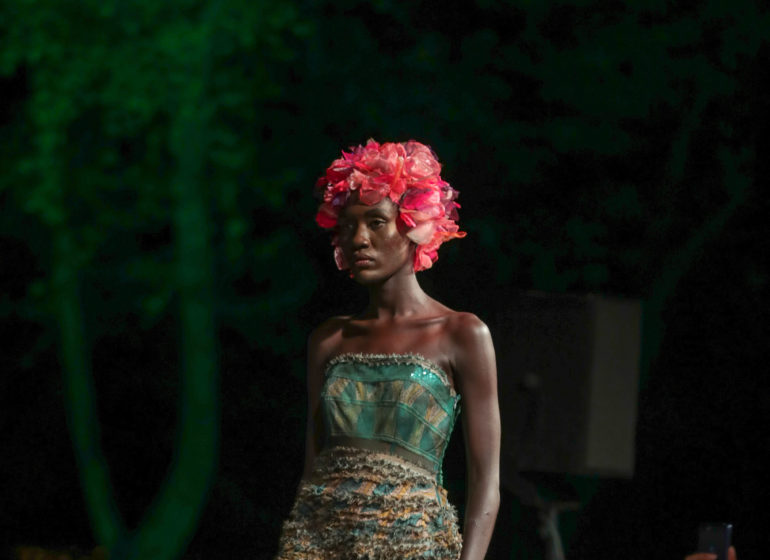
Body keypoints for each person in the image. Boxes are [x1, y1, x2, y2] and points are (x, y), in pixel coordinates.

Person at [275, 139, 501, 559]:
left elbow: (486, 480)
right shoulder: (329, 339)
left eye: (376, 222)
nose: (358, 239)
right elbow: (312, 469)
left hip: (415, 546)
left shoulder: (462, 333)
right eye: (348, 225)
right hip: (323, 544)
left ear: (414, 225)